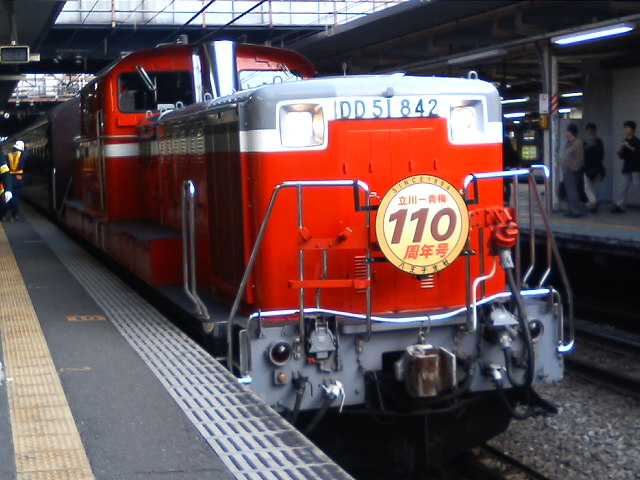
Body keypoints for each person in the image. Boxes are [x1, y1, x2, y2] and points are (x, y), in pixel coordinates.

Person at [611, 120, 640, 213]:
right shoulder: (625, 141)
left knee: (637, 185)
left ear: (633, 129)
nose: (626, 130)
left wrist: (629, 147)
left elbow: (637, 152)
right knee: (623, 186)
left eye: (628, 128)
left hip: (636, 166)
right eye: (625, 128)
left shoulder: (637, 141)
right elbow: (622, 156)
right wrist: (620, 150)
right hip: (627, 166)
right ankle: (620, 205)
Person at [559, 124, 585, 218]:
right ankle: (571, 210)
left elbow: (579, 157)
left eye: (567, 131)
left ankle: (576, 211)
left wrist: (574, 168)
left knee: (573, 191)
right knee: (569, 192)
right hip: (567, 170)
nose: (566, 133)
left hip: (572, 171)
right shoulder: (569, 143)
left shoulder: (577, 143)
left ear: (570, 132)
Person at [2, 140, 27, 221]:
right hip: (19, 179)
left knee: (7, 196)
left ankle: (4, 215)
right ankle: (14, 215)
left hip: (9, 178)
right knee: (16, 197)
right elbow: (26, 152)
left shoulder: (8, 156)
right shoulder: (24, 155)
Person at [583, 123, 605, 212]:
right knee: (594, 188)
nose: (589, 132)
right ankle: (593, 204)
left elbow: (584, 155)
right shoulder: (599, 142)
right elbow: (601, 155)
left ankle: (593, 202)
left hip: (588, 168)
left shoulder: (586, 144)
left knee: (588, 187)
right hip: (598, 168)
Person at [502, 133, 521, 204]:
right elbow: (517, 161)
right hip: (508, 169)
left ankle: (504, 198)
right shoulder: (512, 151)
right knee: (507, 185)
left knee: (503, 185)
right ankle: (506, 200)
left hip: (501, 169)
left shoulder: (501, 150)